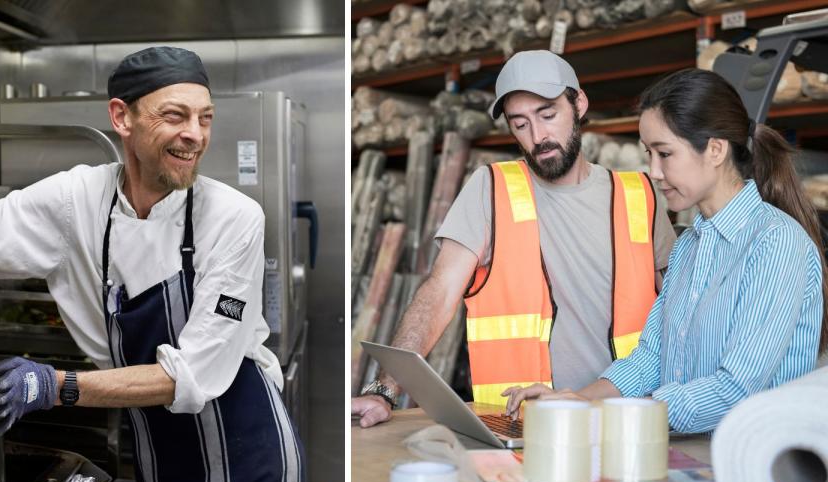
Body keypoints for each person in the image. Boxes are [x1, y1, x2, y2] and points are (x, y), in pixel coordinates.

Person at [0, 47, 306, 482]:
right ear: (122, 117)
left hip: (249, 455)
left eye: (205, 118)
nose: (195, 135)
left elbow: (194, 375)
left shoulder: (234, 217)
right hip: (158, 456)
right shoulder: (78, 199)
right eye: (174, 115)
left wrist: (53, 387)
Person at [352, 50, 676, 427]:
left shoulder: (640, 195)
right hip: (519, 427)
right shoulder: (490, 189)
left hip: (627, 420)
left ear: (579, 103)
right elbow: (438, 292)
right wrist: (386, 389)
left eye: (548, 115)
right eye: (520, 124)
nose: (538, 137)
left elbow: (680, 310)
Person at [504, 68, 827, 433]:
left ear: (716, 150)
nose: (654, 172)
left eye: (665, 153)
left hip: (757, 460)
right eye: (648, 153)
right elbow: (651, 358)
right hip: (691, 452)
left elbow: (736, 388)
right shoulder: (689, 245)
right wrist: (579, 400)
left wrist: (612, 415)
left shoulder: (776, 243)